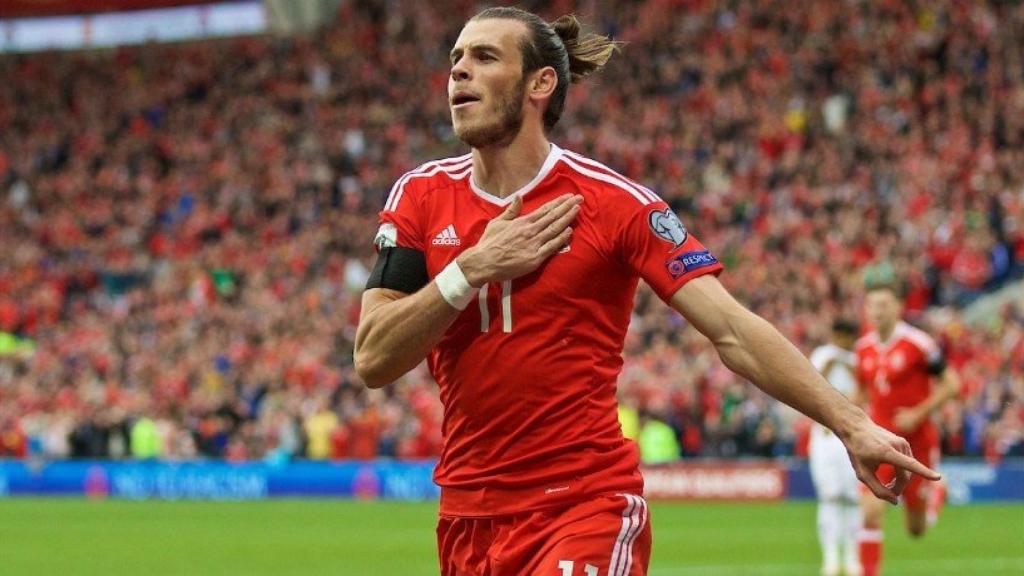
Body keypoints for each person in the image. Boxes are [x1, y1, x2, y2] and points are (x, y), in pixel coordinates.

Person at [354, 8, 939, 575]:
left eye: (484, 57)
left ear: (541, 83)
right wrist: (469, 270)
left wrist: (850, 423)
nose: (459, 70)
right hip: (467, 515)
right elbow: (373, 357)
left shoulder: (615, 204)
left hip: (584, 506)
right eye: (456, 58)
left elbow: (732, 330)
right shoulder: (419, 196)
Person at [855, 282, 959, 576]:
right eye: (872, 304)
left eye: (884, 304)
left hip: (917, 443)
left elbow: (952, 384)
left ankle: (937, 494)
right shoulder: (863, 348)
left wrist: (917, 413)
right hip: (879, 442)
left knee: (916, 529)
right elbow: (861, 393)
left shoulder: (919, 343)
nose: (878, 311)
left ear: (899, 307)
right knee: (870, 510)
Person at [809, 319, 863, 576]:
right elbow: (810, 385)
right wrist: (834, 362)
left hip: (853, 435)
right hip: (825, 435)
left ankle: (852, 558)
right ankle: (830, 559)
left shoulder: (858, 359)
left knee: (853, 497)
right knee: (829, 496)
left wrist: (847, 363)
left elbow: (865, 389)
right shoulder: (822, 355)